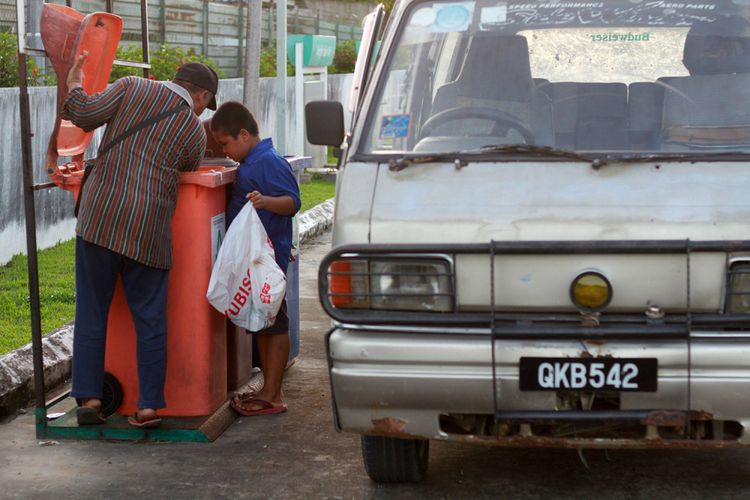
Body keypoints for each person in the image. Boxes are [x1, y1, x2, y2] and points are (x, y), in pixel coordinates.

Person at [62, 54, 216, 427]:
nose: (202, 111)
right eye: (205, 104)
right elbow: (189, 167)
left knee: (92, 312)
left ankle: (91, 400)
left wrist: (73, 83)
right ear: (200, 96)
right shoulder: (193, 131)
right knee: (150, 319)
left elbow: (82, 113)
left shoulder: (131, 86)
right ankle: (148, 407)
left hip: (101, 218)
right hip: (148, 230)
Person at [209, 101, 301, 416]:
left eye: (226, 144)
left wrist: (265, 202)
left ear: (244, 134)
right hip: (256, 259)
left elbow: (292, 202)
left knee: (274, 323)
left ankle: (274, 395)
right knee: (263, 323)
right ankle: (269, 389)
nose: (226, 150)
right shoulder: (251, 161)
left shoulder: (268, 162)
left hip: (268, 259)